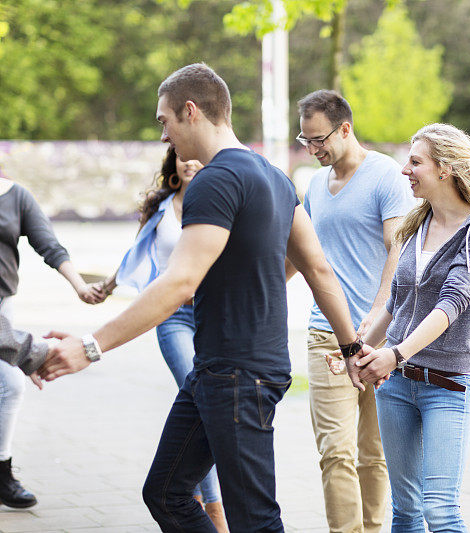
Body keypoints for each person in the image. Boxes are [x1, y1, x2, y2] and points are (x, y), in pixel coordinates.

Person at [38, 62, 364, 532]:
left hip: (237, 375)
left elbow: (179, 282)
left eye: (163, 121)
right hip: (219, 369)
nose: (164, 136)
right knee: (167, 493)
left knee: (254, 520)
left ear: (190, 111)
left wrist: (89, 347)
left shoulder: (215, 180)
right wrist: (350, 347)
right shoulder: (273, 177)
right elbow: (317, 267)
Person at [353, 124, 470, 532]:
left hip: (448, 386)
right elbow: (397, 303)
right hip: (397, 386)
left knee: (439, 510)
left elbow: (452, 305)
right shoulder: (417, 222)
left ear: (445, 169)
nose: (405, 169)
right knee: (405, 510)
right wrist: (356, 352)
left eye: (415, 162)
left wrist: (394, 352)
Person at [290, 90, 413, 533]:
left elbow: (397, 249)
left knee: (374, 454)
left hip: (381, 337)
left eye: (318, 139)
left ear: (345, 128)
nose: (313, 149)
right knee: (335, 453)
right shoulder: (314, 186)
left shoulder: (386, 176)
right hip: (326, 333)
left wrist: (379, 314)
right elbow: (299, 255)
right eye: (305, 141)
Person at [89, 146, 227, 530]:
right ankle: (213, 510)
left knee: (205, 404)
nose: (187, 161)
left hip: (211, 313)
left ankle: (192, 497)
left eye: (194, 156)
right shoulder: (163, 207)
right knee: (196, 392)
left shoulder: (219, 201)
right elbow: (136, 252)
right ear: (173, 167)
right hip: (172, 316)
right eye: (180, 157)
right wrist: (110, 285)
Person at [0, 176, 101, 508]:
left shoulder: (15, 195)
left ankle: (2, 474)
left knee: (10, 386)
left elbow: (49, 245)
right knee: (12, 384)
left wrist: (80, 287)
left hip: (3, 310)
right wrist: (31, 352)